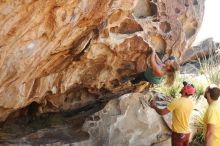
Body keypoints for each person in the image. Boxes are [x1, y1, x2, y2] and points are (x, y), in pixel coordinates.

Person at [150, 81, 196, 146]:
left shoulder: (177, 102)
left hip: (178, 134)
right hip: (187, 134)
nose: (182, 88)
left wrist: (154, 106)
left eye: (184, 87)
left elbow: (162, 112)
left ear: (185, 91)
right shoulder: (191, 103)